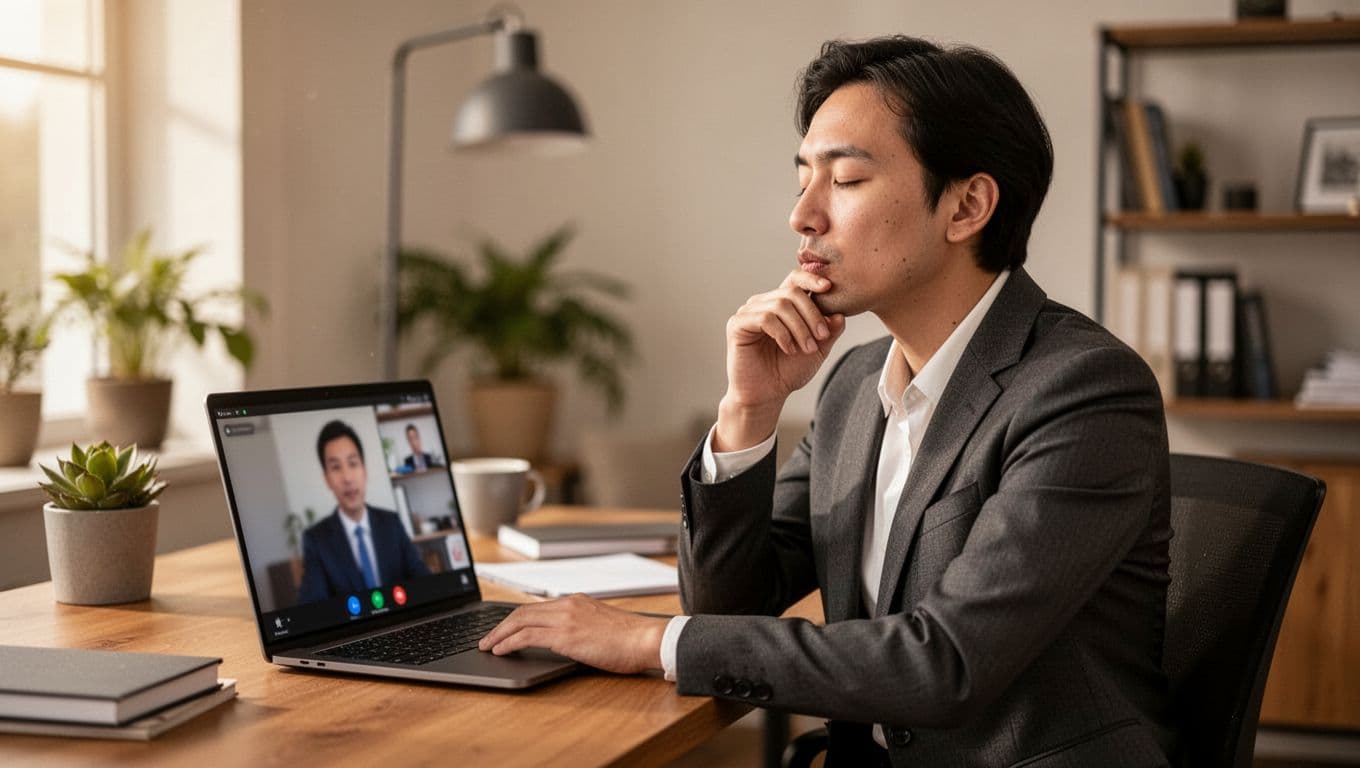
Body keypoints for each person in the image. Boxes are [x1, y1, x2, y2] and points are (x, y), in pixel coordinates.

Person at [479, 36, 1174, 766]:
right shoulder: (853, 386)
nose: (803, 217)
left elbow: (947, 665)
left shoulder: (1084, 390)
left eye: (843, 181)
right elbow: (729, 609)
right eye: (802, 179)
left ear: (967, 205)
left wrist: (646, 638)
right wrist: (747, 412)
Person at [296, 419, 430, 604]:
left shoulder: (391, 523)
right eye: (336, 467)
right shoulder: (316, 541)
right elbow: (311, 608)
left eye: (353, 463)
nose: (347, 478)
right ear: (327, 479)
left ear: (364, 470)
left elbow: (424, 582)